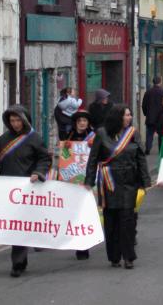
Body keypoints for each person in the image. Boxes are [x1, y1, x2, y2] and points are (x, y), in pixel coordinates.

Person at [0, 105, 51, 277]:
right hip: (9, 190)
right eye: (12, 120)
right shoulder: (2, 140)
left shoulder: (34, 138)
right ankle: (19, 261)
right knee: (16, 227)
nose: (15, 124)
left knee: (25, 224)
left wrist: (38, 173)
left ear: (25, 120)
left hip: (29, 188)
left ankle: (21, 259)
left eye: (18, 120)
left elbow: (44, 159)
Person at [85, 105, 151, 270]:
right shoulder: (102, 134)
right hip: (109, 181)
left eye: (130, 115)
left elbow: (140, 158)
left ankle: (129, 256)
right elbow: (93, 159)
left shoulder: (133, 133)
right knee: (111, 219)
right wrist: (89, 180)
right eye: (126, 115)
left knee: (127, 219)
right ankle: (114, 256)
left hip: (129, 181)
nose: (129, 118)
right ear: (117, 117)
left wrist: (145, 180)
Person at [63, 108, 96, 260]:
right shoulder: (68, 137)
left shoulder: (94, 137)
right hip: (73, 179)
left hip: (89, 181)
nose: (82, 123)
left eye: (85, 121)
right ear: (76, 123)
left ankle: (85, 245)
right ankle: (78, 243)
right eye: (80, 121)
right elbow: (64, 158)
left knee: (86, 212)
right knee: (74, 212)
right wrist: (66, 150)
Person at [141, 76, 163, 155]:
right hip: (160, 117)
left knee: (149, 134)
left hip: (150, 117)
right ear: (160, 82)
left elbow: (144, 105)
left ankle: (148, 148)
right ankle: (160, 150)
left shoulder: (148, 92)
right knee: (160, 135)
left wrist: (146, 113)